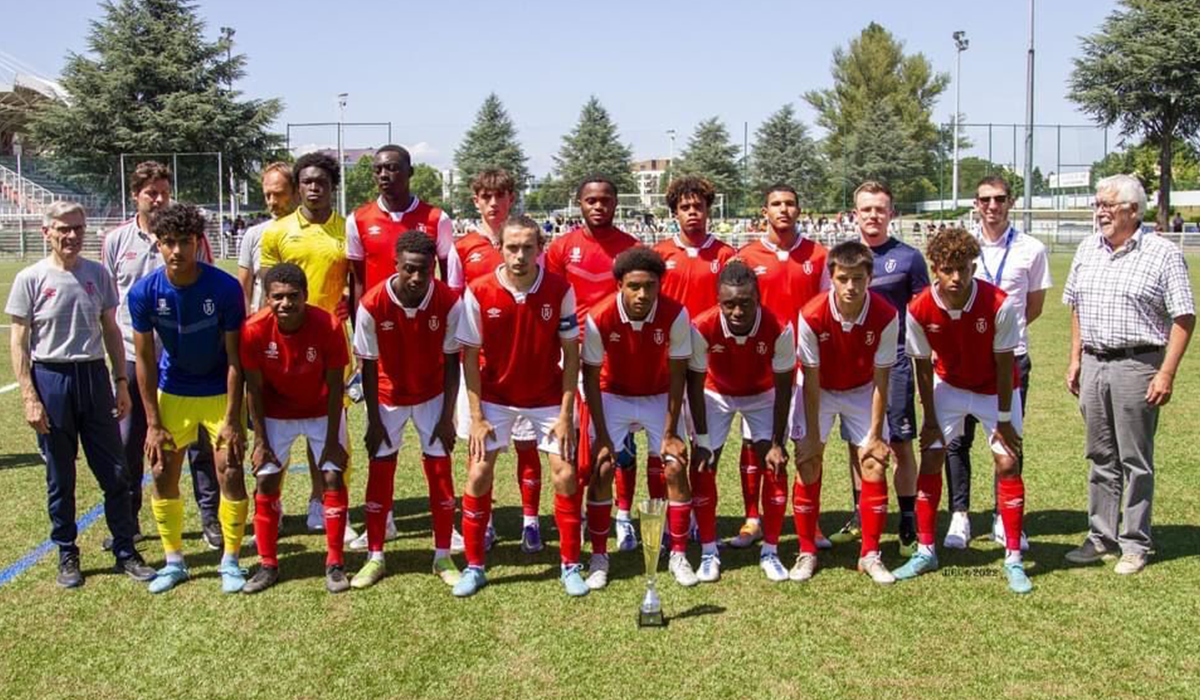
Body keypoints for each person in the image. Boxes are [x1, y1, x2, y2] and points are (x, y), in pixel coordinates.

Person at [7, 201, 157, 588]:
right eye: (62, 229)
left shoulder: (98, 274)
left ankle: (125, 548)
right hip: (52, 378)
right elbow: (19, 342)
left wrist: (120, 381)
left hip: (93, 377)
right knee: (61, 475)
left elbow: (110, 328)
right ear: (47, 233)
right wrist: (29, 396)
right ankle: (67, 552)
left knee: (116, 471)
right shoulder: (31, 278)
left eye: (77, 228)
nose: (71, 235)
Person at [1063, 174, 1195, 574]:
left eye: (1108, 205)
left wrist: (1166, 373)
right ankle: (1101, 536)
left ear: (1133, 210)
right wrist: (1075, 358)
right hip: (1094, 363)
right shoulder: (1088, 248)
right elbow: (1076, 307)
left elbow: (1184, 316)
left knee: (1135, 459)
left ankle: (1135, 543)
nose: (1100, 212)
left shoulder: (1162, 253)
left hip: (1138, 365)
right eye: (1097, 204)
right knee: (1100, 456)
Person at [891, 227, 1031, 594]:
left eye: (965, 269)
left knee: (1007, 461)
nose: (957, 277)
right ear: (935, 268)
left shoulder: (999, 304)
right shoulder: (918, 307)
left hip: (994, 390)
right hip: (948, 387)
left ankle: (1014, 556)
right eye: (948, 269)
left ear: (974, 267)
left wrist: (1002, 419)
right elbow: (921, 366)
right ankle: (925, 551)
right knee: (932, 457)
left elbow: (1005, 365)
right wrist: (932, 420)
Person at [454, 215, 583, 597]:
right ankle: (475, 566)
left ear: (540, 250)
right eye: (512, 247)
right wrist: (476, 417)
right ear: (500, 249)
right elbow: (470, 358)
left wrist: (564, 415)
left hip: (546, 397)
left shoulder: (560, 289)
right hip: (495, 398)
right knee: (478, 472)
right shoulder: (478, 291)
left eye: (528, 247)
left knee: (565, 473)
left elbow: (571, 356)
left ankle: (570, 564)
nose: (520, 255)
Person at [100, 160, 222, 552]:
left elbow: (207, 286)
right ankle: (129, 520)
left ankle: (210, 520)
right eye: (151, 192)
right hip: (137, 355)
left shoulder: (191, 237)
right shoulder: (116, 241)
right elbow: (107, 299)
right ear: (135, 195)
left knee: (202, 444)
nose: (158, 198)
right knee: (133, 439)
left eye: (164, 191)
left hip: (188, 350)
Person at [128, 203, 248, 594]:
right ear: (157, 245)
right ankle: (174, 560)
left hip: (217, 391)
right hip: (173, 391)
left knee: (230, 470)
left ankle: (230, 560)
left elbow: (235, 358)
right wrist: (152, 422)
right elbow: (144, 359)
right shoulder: (144, 292)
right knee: (162, 471)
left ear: (198, 243)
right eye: (168, 243)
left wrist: (232, 417)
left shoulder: (225, 288)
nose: (177, 250)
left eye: (185, 242)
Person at [944, 176, 1051, 550]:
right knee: (957, 441)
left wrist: (1003, 336)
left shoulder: (1031, 249)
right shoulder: (960, 247)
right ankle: (959, 515)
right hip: (960, 362)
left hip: (1011, 358)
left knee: (1007, 438)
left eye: (1000, 199)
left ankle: (1003, 518)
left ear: (1011, 202)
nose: (992, 206)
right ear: (975, 203)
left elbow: (1034, 306)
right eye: (985, 199)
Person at [352, 231, 463, 589]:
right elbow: (367, 365)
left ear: (434, 269)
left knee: (440, 473)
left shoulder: (448, 301)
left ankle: (443, 555)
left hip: (432, 395)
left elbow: (452, 363)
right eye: (410, 269)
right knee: (380, 473)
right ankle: (375, 557)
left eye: (425, 271)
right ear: (395, 265)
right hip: (388, 397)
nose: (417, 278)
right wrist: (373, 419)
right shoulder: (371, 304)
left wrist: (447, 417)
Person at [582, 247, 693, 588]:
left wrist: (672, 431)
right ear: (620, 285)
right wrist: (601, 435)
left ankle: (677, 553)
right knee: (601, 467)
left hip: (658, 394)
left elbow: (678, 375)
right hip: (612, 394)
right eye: (634, 286)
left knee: (674, 465)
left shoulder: (675, 314)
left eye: (650, 285)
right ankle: (600, 555)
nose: (642, 294)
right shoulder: (599, 317)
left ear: (660, 285)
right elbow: (590, 378)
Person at [259, 152, 356, 538]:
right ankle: (272, 504)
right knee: (276, 426)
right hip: (282, 342)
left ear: (333, 187)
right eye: (307, 182)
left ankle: (323, 504)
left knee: (331, 426)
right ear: (297, 187)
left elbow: (357, 280)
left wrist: (348, 295)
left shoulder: (348, 230)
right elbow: (267, 290)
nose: (314, 188)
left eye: (322, 182)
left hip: (331, 342)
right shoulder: (277, 232)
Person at [239, 263, 352, 594]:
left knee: (332, 474)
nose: (285, 304)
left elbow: (335, 388)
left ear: (305, 296)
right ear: (267, 298)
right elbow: (254, 391)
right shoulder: (254, 330)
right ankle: (267, 564)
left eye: (293, 297)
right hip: (276, 412)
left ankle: (334, 562)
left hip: (320, 408)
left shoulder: (328, 325)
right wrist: (260, 441)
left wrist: (332, 441)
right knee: (266, 478)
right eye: (277, 297)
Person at [791, 241, 898, 584]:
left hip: (862, 390)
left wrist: (878, 435)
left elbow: (882, 379)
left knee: (873, 461)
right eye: (843, 278)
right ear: (832, 278)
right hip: (819, 391)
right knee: (808, 460)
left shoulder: (886, 315)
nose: (850, 286)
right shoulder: (810, 314)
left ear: (870, 277)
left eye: (858, 278)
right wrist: (809, 435)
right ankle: (807, 550)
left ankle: (870, 554)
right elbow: (810, 377)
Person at [832, 181, 928, 555]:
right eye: (866, 209)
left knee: (901, 443)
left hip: (897, 363)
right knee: (858, 444)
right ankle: (861, 515)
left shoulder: (908, 258)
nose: (873, 215)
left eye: (880, 209)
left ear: (891, 213)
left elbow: (920, 316)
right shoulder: (843, 257)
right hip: (853, 366)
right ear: (855, 214)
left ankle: (907, 521)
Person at [447, 168, 541, 553]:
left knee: (527, 446)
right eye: (485, 197)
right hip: (480, 366)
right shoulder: (463, 247)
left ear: (510, 199)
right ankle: (482, 523)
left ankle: (531, 522)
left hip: (523, 363)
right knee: (480, 448)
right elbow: (454, 300)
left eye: (499, 196)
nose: (492, 203)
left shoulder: (528, 243)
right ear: (476, 201)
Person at [545, 176, 640, 552]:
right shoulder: (561, 248)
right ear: (579, 203)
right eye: (590, 200)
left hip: (619, 356)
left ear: (616, 203)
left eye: (605, 200)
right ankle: (582, 514)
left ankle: (624, 515)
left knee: (623, 441)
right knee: (577, 440)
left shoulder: (632, 248)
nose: (598, 206)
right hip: (573, 357)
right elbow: (550, 301)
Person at [732, 184, 828, 549]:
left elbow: (823, 312)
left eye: (790, 203)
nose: (783, 209)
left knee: (805, 442)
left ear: (799, 210)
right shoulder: (745, 256)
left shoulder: (818, 255)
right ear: (765, 211)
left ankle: (810, 521)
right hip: (758, 364)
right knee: (754, 442)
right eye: (776, 204)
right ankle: (752, 518)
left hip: (802, 365)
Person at [686, 261, 795, 582]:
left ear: (758, 299)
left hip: (763, 394)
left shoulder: (779, 327)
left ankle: (771, 551)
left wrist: (777, 443)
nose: (736, 311)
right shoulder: (702, 326)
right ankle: (708, 551)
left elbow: (785, 387)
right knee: (703, 464)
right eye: (729, 304)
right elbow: (694, 383)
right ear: (718, 301)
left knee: (775, 465)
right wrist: (702, 439)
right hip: (715, 393)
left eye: (745, 303)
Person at [347, 144, 454, 296]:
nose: (383, 175)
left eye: (391, 168)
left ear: (410, 172)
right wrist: (359, 318)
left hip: (423, 314)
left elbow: (447, 277)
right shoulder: (357, 220)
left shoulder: (437, 219)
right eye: (378, 170)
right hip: (377, 315)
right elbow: (358, 282)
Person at [238, 162, 296, 312]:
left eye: (278, 194)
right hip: (263, 328)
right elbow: (243, 291)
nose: (272, 202)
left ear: (296, 192)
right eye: (267, 195)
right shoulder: (253, 235)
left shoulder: (311, 234)